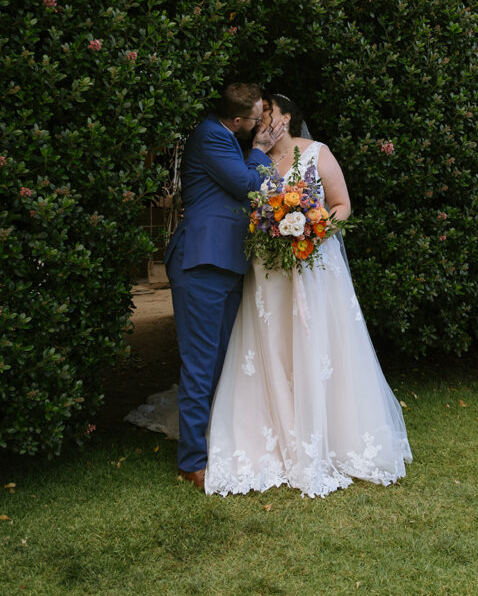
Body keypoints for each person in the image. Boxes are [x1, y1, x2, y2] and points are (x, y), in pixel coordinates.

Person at [204, 93, 412, 498]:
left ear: (287, 117)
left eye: (270, 113)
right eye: (260, 115)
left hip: (312, 268)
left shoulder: (315, 153)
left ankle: (327, 434)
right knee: (274, 346)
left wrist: (313, 231)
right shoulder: (254, 160)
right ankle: (270, 431)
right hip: (268, 272)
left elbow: (341, 205)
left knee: (316, 345)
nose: (263, 120)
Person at [164, 81, 284, 491]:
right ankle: (191, 462)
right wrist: (260, 152)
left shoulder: (228, 136)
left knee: (218, 363)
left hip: (227, 263)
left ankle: (213, 444)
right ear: (237, 119)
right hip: (202, 261)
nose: (259, 125)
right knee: (200, 365)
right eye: (254, 119)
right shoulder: (211, 136)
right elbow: (250, 186)